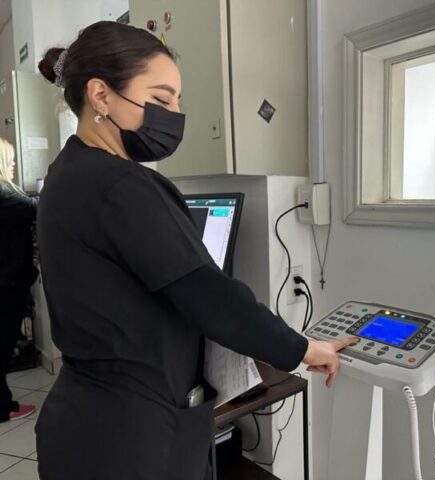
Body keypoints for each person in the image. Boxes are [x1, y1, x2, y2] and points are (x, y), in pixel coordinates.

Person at [35, 21, 356, 480]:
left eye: (178, 101)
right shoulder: (121, 185)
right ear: (101, 95)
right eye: (162, 98)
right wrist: (304, 348)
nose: (175, 114)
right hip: (132, 435)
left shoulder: (66, 173)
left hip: (84, 419)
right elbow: (210, 295)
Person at [0, 137, 38, 423]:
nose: (13, 165)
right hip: (6, 284)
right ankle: (3, 408)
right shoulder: (5, 196)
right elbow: (39, 206)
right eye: (9, 160)